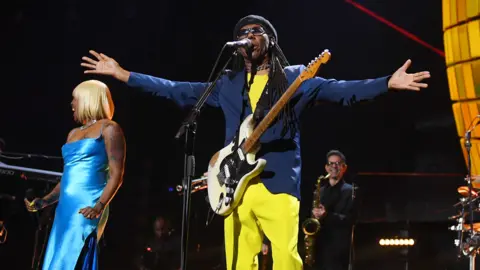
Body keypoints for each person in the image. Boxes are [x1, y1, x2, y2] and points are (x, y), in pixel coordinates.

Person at [80, 14, 430, 270]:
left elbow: (343, 91)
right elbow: (178, 91)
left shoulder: (296, 80)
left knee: (286, 260)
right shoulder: (228, 83)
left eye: (256, 31)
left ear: (270, 41)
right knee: (237, 262)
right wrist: (124, 75)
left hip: (277, 184)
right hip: (235, 188)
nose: (249, 35)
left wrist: (387, 82)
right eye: (243, 32)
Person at [24, 80, 126, 270]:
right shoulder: (72, 134)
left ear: (89, 99)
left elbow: (117, 174)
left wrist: (99, 206)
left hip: (88, 205)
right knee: (57, 257)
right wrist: (45, 201)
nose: (72, 104)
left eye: (75, 99)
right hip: (65, 208)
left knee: (74, 255)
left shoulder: (110, 129)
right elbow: (68, 177)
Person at [309, 150, 354, 270]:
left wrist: (326, 215)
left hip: (338, 251)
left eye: (338, 163)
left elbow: (350, 220)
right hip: (320, 247)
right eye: (331, 163)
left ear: (344, 168)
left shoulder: (351, 191)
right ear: (326, 167)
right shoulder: (320, 191)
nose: (334, 166)